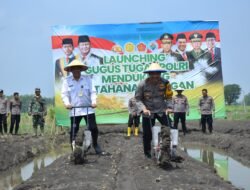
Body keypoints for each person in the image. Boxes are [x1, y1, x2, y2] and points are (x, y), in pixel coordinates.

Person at [61, 59, 104, 154]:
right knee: (73, 130)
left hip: (88, 109)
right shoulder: (66, 81)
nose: (76, 70)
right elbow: (64, 94)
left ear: (81, 69)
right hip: (74, 110)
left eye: (78, 69)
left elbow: (92, 92)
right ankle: (73, 149)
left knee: (93, 128)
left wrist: (93, 102)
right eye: (74, 69)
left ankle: (95, 145)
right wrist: (67, 103)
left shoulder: (88, 79)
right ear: (71, 70)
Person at [135, 62, 172, 166]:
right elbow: (137, 99)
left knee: (168, 129)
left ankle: (167, 150)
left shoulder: (166, 83)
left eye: (157, 74)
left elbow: (169, 97)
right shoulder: (142, 84)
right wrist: (143, 109)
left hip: (161, 110)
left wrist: (169, 107)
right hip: (148, 111)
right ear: (149, 74)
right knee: (147, 134)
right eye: (153, 74)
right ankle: (147, 153)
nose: (155, 76)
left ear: (160, 74)